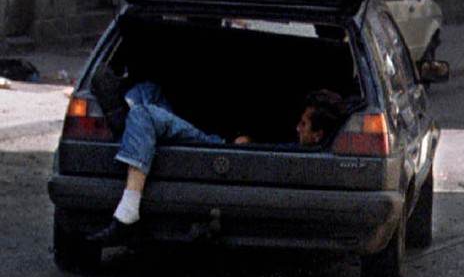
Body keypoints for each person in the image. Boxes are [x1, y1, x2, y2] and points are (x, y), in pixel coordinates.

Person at [87, 80, 344, 246]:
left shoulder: (295, 154)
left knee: (143, 111)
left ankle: (128, 208)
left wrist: (248, 145)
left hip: (213, 147)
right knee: (150, 91)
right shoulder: (310, 145)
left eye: (303, 125)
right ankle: (129, 128)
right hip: (221, 141)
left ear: (318, 135)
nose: (296, 127)